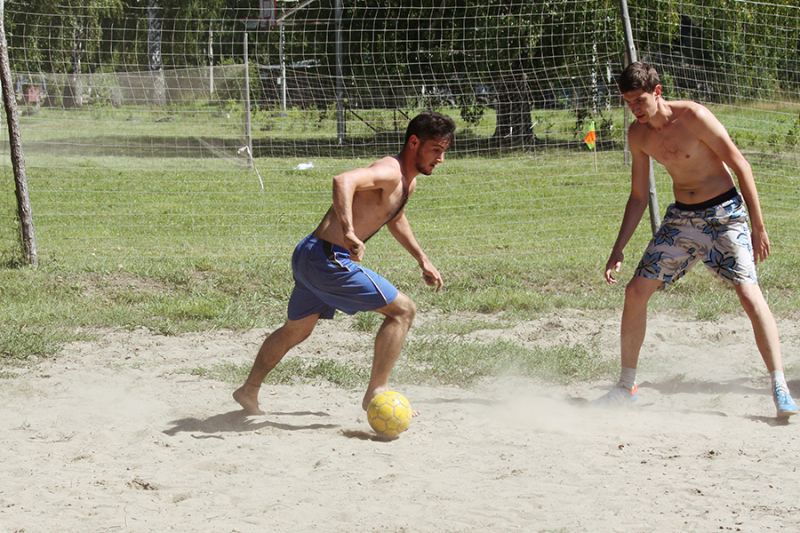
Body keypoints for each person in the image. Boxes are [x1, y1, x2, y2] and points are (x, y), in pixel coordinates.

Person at [600, 61, 797, 418]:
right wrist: (618, 249)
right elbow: (638, 196)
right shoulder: (638, 135)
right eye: (628, 102)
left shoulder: (694, 117)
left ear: (657, 92)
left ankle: (780, 387)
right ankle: (626, 387)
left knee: (749, 294)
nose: (635, 109)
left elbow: (741, 165)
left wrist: (758, 226)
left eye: (640, 100)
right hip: (682, 218)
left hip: (725, 215)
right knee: (635, 292)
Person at [233, 111, 455, 415]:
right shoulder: (389, 171)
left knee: (296, 330)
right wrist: (349, 231)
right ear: (414, 142)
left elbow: (395, 218)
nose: (441, 159)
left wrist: (422, 259)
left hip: (309, 254)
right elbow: (343, 180)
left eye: (444, 151)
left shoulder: (406, 184)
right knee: (403, 311)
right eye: (436, 150)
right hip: (327, 259)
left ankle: (248, 390)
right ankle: (377, 391)